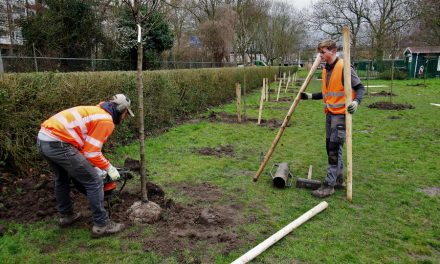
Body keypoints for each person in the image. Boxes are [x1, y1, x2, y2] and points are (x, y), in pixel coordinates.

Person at [36, 94, 134, 237]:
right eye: (125, 113)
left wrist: (94, 164)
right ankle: (102, 225)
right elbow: (92, 152)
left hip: (44, 139)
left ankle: (66, 216)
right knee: (94, 181)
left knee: (62, 178)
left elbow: (84, 148)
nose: (124, 118)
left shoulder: (95, 111)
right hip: (59, 144)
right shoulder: (105, 120)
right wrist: (108, 168)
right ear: (120, 110)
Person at [301, 40, 365, 198]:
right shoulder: (325, 70)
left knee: (334, 150)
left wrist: (356, 102)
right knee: (330, 147)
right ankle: (338, 178)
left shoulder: (344, 67)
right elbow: (327, 92)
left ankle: (329, 186)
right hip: (330, 114)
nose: (320, 55)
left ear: (333, 51)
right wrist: (309, 96)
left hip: (341, 115)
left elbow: (360, 88)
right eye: (320, 52)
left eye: (323, 52)